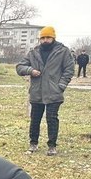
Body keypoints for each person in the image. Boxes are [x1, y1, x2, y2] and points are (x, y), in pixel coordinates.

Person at [16, 26, 74, 156]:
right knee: (35, 119)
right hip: (37, 91)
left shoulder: (63, 51)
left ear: (53, 38)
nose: (45, 40)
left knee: (52, 119)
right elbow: (20, 67)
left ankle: (52, 146)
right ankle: (33, 143)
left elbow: (69, 69)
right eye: (42, 38)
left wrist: (61, 86)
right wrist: (30, 71)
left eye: (48, 37)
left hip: (54, 92)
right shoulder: (33, 52)